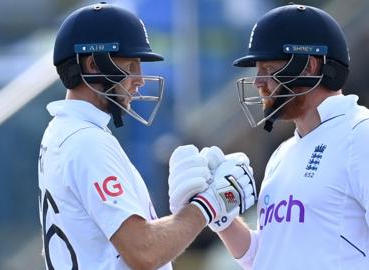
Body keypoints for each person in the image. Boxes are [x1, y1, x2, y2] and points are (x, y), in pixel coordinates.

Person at [185, 4, 369, 269]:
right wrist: (221, 217)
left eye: (269, 69)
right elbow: (263, 258)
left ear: (309, 66)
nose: (258, 82)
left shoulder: (365, 135)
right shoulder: (283, 154)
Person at [38, 3, 256, 269]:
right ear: (93, 64)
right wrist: (211, 203)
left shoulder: (62, 132)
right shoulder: (86, 141)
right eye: (130, 65)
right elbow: (144, 251)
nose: (139, 79)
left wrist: (193, 211)